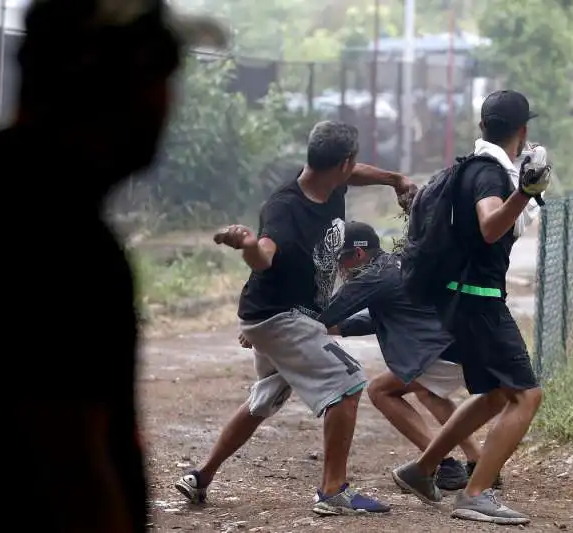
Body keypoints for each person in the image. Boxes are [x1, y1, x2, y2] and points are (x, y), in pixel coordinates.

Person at [0, 2, 227, 532]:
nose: (165, 104)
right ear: (100, 81)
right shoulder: (53, 238)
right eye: (156, 77)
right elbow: (70, 464)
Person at [174, 121, 417, 516]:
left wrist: (395, 179)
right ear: (342, 162)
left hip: (273, 317)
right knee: (349, 381)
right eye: (350, 165)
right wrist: (250, 246)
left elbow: (356, 174)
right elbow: (265, 255)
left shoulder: (333, 181)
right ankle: (333, 490)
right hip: (281, 316)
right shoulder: (284, 207)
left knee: (265, 398)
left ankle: (200, 477)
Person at [390, 90, 550, 525]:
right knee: (526, 396)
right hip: (478, 301)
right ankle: (475, 492)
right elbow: (490, 225)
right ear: (523, 131)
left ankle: (421, 469)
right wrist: (525, 191)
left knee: (498, 394)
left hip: (460, 298)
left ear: (482, 126)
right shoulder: (490, 175)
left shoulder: (472, 167)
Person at [312, 220, 502, 491]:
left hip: (444, 349)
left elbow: (324, 313)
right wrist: (339, 328)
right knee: (427, 391)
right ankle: (479, 462)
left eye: (342, 261)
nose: (340, 269)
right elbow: (386, 317)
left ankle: (442, 463)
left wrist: (278, 322)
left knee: (380, 391)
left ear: (358, 254)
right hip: (465, 342)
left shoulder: (373, 277)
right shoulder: (397, 264)